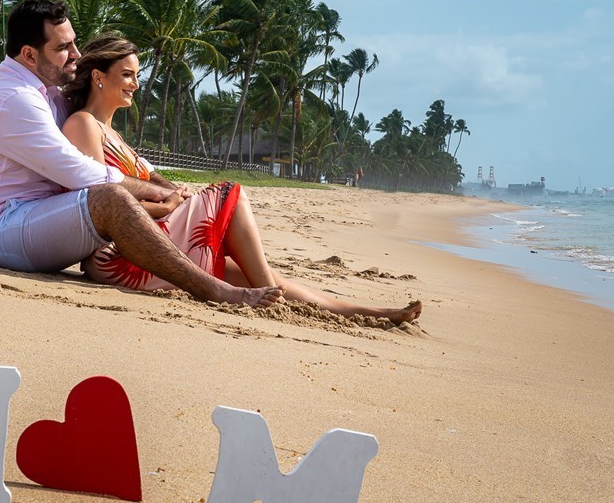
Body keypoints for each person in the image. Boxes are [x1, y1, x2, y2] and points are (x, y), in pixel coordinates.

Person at [60, 36, 423, 324]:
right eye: (127, 74)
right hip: (118, 255)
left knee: (254, 276)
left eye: (137, 75)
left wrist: (172, 198)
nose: (136, 84)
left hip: (153, 242)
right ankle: (270, 287)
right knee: (228, 193)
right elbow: (98, 202)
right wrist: (169, 203)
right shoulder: (83, 125)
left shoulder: (114, 133)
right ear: (98, 76)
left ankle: (369, 313)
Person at [0, 0, 281, 308]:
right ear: (29, 54)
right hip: (1, 231)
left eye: (74, 43)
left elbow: (112, 143)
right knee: (112, 199)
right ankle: (213, 289)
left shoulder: (47, 92)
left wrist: (166, 189)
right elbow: (79, 172)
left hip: (36, 217)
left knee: (157, 208)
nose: (76, 54)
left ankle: (292, 295)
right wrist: (156, 192)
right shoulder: (14, 98)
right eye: (62, 48)